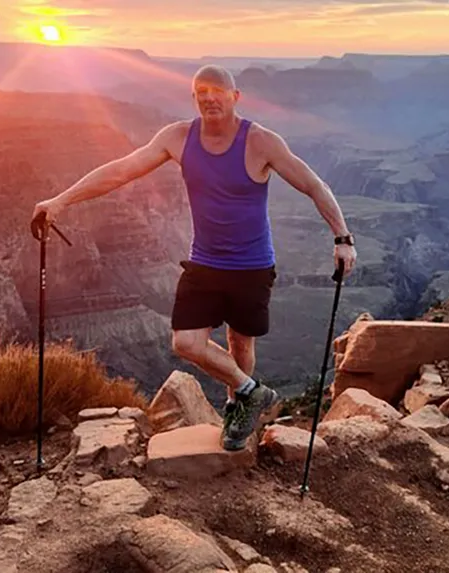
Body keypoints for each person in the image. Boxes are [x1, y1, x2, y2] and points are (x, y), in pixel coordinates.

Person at [30, 64, 357, 451]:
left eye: (218, 91)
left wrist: (342, 237)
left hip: (252, 265)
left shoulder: (261, 142)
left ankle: (238, 408)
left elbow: (312, 184)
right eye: (201, 91)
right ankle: (253, 392)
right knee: (185, 342)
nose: (209, 97)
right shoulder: (179, 137)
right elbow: (121, 171)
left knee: (241, 345)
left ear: (235, 97)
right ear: (194, 98)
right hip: (203, 262)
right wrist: (60, 201)